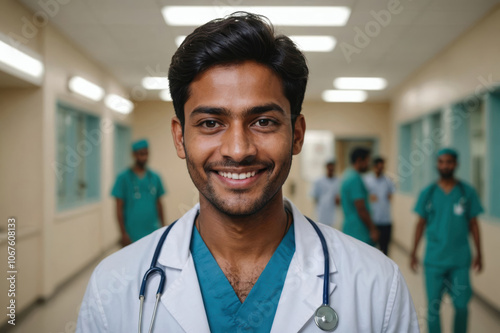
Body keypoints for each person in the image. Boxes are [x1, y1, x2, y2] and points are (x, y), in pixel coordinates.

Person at [77, 13, 418, 333]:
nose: (238, 150)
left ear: (296, 134)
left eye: (263, 122)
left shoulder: (377, 285)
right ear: (180, 138)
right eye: (211, 123)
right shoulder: (113, 285)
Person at [410, 148, 483, 333]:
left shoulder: (466, 191)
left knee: (461, 306)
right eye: (441, 162)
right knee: (433, 309)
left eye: (449, 162)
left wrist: (479, 254)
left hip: (459, 260)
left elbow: (474, 224)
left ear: (456, 164)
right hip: (434, 260)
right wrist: (413, 252)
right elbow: (420, 224)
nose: (445, 165)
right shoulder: (429, 192)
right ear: (437, 164)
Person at [111, 139, 166, 246]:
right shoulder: (123, 178)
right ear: (134, 155)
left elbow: (159, 204)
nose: (144, 157)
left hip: (152, 231)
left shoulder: (155, 177)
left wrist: (163, 228)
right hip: (132, 234)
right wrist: (123, 234)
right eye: (141, 154)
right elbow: (118, 208)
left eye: (146, 154)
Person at [340, 147, 380, 246]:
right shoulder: (355, 179)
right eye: (367, 161)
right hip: (359, 231)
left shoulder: (347, 175)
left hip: (351, 229)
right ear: (359, 160)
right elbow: (361, 208)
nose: (368, 165)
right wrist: (373, 229)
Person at [364, 157, 395, 255]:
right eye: (378, 167)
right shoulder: (367, 180)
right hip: (372, 220)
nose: (380, 169)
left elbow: (390, 195)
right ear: (374, 167)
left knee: (384, 249)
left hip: (385, 220)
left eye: (382, 167)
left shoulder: (388, 181)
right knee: (369, 249)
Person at [310, 160, 340, 227]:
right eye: (329, 167)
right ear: (326, 167)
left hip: (333, 214)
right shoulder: (319, 181)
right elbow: (315, 197)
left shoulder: (338, 181)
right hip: (321, 213)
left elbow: (339, 198)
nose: (331, 169)